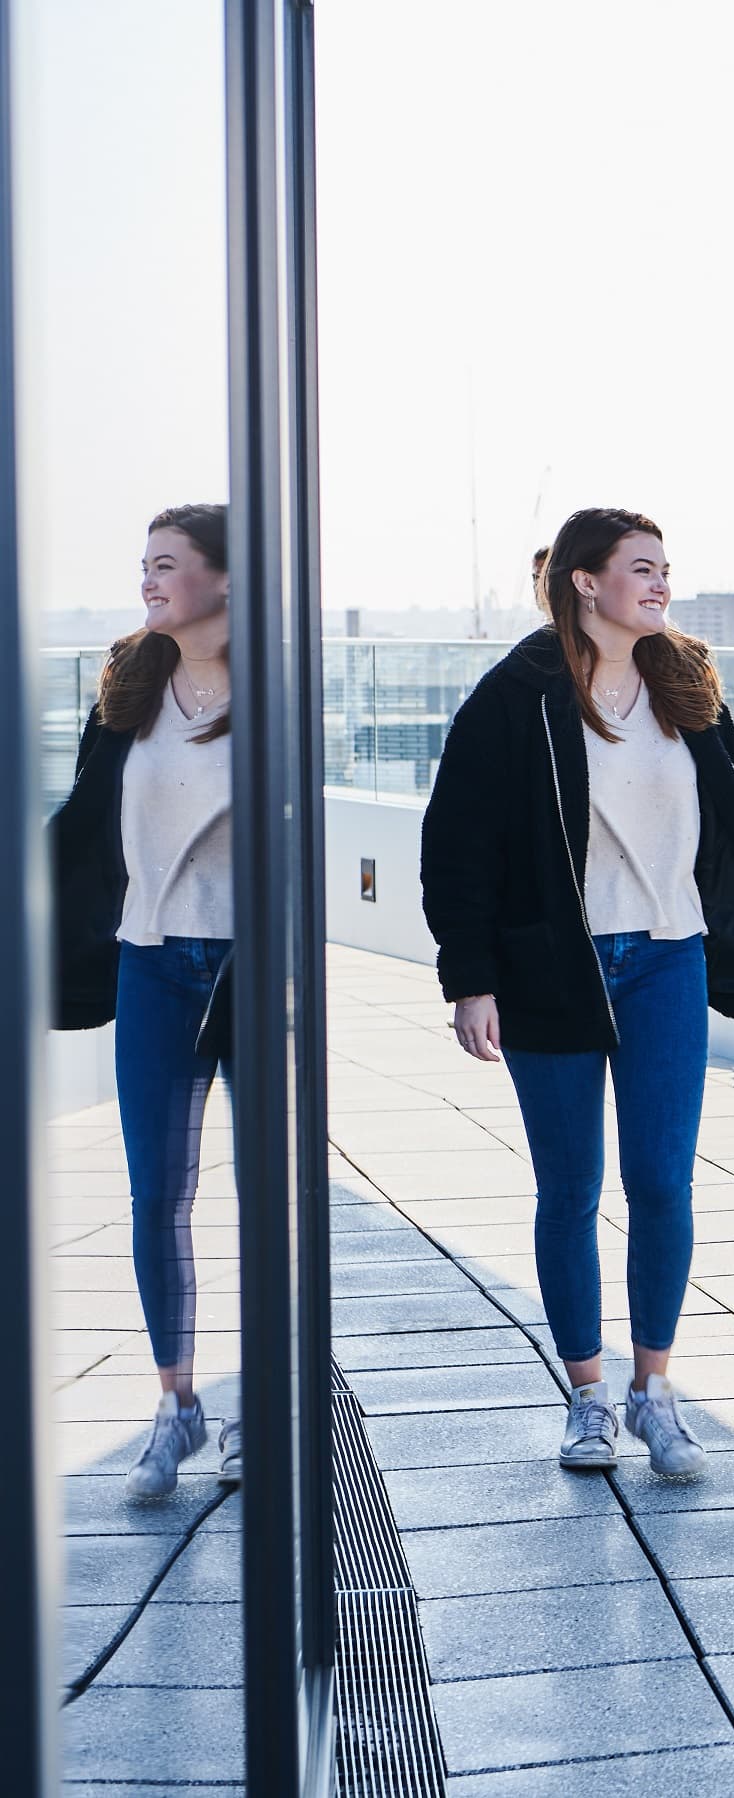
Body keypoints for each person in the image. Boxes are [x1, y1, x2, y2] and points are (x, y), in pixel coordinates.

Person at [421, 507, 734, 1477]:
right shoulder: (517, 694)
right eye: (641, 568)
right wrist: (470, 979)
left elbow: (728, 836)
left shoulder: (685, 684)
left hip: (667, 961)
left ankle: (654, 1391)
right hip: (550, 968)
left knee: (661, 1182)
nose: (660, 585)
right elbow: (457, 846)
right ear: (584, 581)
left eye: (664, 569)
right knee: (569, 1190)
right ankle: (589, 1398)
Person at [50, 504, 242, 1500]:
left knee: (269, 1200)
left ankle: (258, 1404)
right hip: (154, 964)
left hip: (251, 968)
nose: (149, 581)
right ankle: (176, 1405)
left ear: (224, 578)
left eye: (168, 564)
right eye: (145, 566)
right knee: (157, 1195)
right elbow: (86, 824)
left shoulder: (273, 692)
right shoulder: (128, 683)